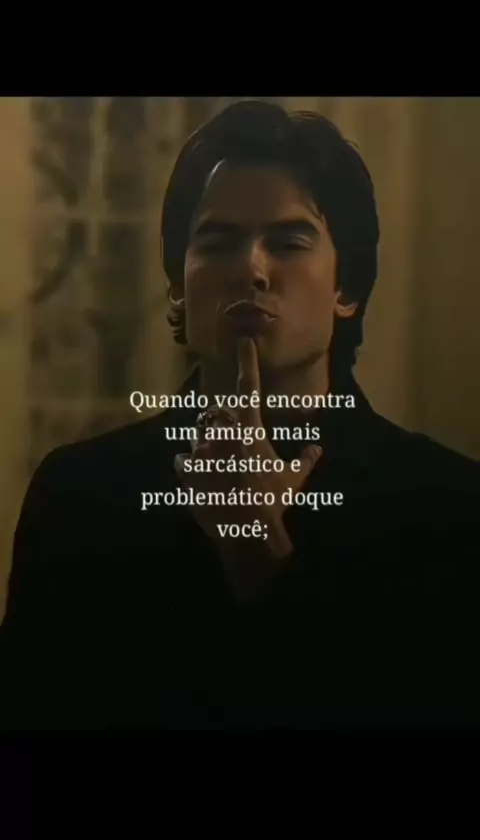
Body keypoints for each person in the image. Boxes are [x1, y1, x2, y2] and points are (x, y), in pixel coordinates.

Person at [2, 100, 479, 729]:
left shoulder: (447, 505)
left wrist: (264, 557)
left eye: (288, 242)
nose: (251, 269)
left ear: (347, 289)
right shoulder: (79, 492)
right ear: (179, 285)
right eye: (218, 242)